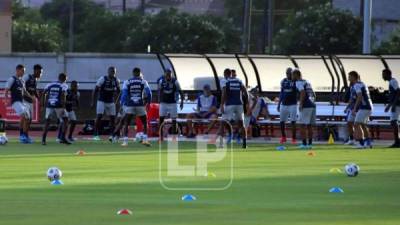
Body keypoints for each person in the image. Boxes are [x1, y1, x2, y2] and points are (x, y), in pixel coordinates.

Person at [119, 67, 152, 147]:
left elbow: (124, 94)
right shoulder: (143, 81)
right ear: (139, 73)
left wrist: (122, 104)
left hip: (130, 105)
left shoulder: (127, 82)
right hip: (140, 105)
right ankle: (145, 140)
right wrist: (148, 103)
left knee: (126, 123)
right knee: (144, 122)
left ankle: (125, 142)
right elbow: (149, 93)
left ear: (133, 73)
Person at [4, 64, 33, 143]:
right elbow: (6, 90)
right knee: (25, 115)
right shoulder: (12, 79)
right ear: (17, 70)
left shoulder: (22, 81)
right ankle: (22, 136)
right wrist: (6, 100)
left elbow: (24, 91)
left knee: (27, 118)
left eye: (24, 71)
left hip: (22, 102)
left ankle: (23, 135)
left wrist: (31, 96)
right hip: (16, 102)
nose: (23, 72)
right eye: (22, 71)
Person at [219, 74, 249, 149]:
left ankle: (221, 144)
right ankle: (244, 144)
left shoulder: (226, 82)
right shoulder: (239, 81)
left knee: (223, 123)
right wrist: (247, 103)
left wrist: (222, 104)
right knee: (241, 124)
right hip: (239, 104)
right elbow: (245, 91)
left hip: (229, 104)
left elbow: (224, 93)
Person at [91, 66, 120, 141]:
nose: (113, 73)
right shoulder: (102, 79)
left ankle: (112, 135)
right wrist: (92, 101)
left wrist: (117, 100)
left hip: (111, 102)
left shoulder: (116, 80)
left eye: (114, 72)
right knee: (99, 116)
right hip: (101, 101)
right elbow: (95, 90)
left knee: (112, 119)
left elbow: (119, 91)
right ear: (108, 72)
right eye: (111, 71)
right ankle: (95, 134)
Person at [42, 73, 71, 145]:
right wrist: (64, 106)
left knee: (47, 122)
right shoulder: (64, 85)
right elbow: (63, 94)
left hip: (49, 105)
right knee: (66, 120)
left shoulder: (49, 84)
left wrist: (43, 104)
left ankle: (43, 140)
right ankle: (63, 138)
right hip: (59, 105)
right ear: (65, 79)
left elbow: (43, 93)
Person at [292, 69, 316, 149]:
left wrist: (301, 103)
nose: (292, 77)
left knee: (302, 125)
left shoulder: (298, 82)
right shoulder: (306, 81)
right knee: (309, 125)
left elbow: (302, 92)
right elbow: (312, 93)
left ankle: (304, 144)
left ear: (296, 75)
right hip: (312, 105)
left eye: (293, 75)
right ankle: (310, 144)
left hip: (306, 105)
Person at [349, 71, 373, 149]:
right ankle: (368, 143)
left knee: (356, 124)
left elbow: (359, 97)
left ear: (353, 77)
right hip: (369, 107)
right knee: (363, 125)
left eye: (349, 76)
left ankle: (361, 143)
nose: (348, 78)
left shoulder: (356, 85)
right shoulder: (363, 83)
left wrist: (354, 108)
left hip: (364, 107)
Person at [158, 69, 183, 140]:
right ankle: (161, 136)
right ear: (165, 74)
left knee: (174, 120)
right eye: (167, 74)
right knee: (161, 119)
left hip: (173, 103)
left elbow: (181, 91)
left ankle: (174, 136)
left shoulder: (175, 82)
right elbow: (159, 91)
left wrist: (182, 102)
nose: (168, 76)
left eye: (169, 74)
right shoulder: (161, 81)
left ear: (171, 74)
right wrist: (159, 100)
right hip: (163, 103)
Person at [277, 68, 297, 144]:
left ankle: (293, 138)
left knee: (293, 122)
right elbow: (281, 93)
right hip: (284, 104)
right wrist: (279, 104)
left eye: (289, 73)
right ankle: (283, 137)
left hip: (293, 104)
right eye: (287, 73)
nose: (288, 75)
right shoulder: (283, 81)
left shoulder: (295, 81)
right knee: (282, 121)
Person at [22, 64, 42, 139]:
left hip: (30, 102)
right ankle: (23, 136)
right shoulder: (27, 77)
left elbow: (34, 90)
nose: (40, 74)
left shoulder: (35, 80)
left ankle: (25, 135)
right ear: (35, 71)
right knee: (27, 119)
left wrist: (39, 99)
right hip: (24, 100)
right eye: (40, 72)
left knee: (29, 120)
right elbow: (22, 87)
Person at [382, 69, 400, 148]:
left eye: (383, 74)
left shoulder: (393, 81)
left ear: (387, 74)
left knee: (394, 122)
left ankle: (397, 142)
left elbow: (398, 92)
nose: (382, 76)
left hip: (397, 105)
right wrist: (389, 106)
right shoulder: (391, 82)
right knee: (394, 122)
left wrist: (394, 105)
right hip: (395, 104)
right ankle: (397, 141)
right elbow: (393, 95)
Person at [344, 80, 357, 145]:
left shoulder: (358, 87)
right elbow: (351, 99)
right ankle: (351, 139)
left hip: (358, 109)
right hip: (352, 109)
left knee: (359, 125)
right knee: (349, 123)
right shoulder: (351, 88)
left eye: (350, 78)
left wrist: (355, 108)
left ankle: (364, 140)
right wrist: (347, 108)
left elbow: (358, 98)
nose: (349, 80)